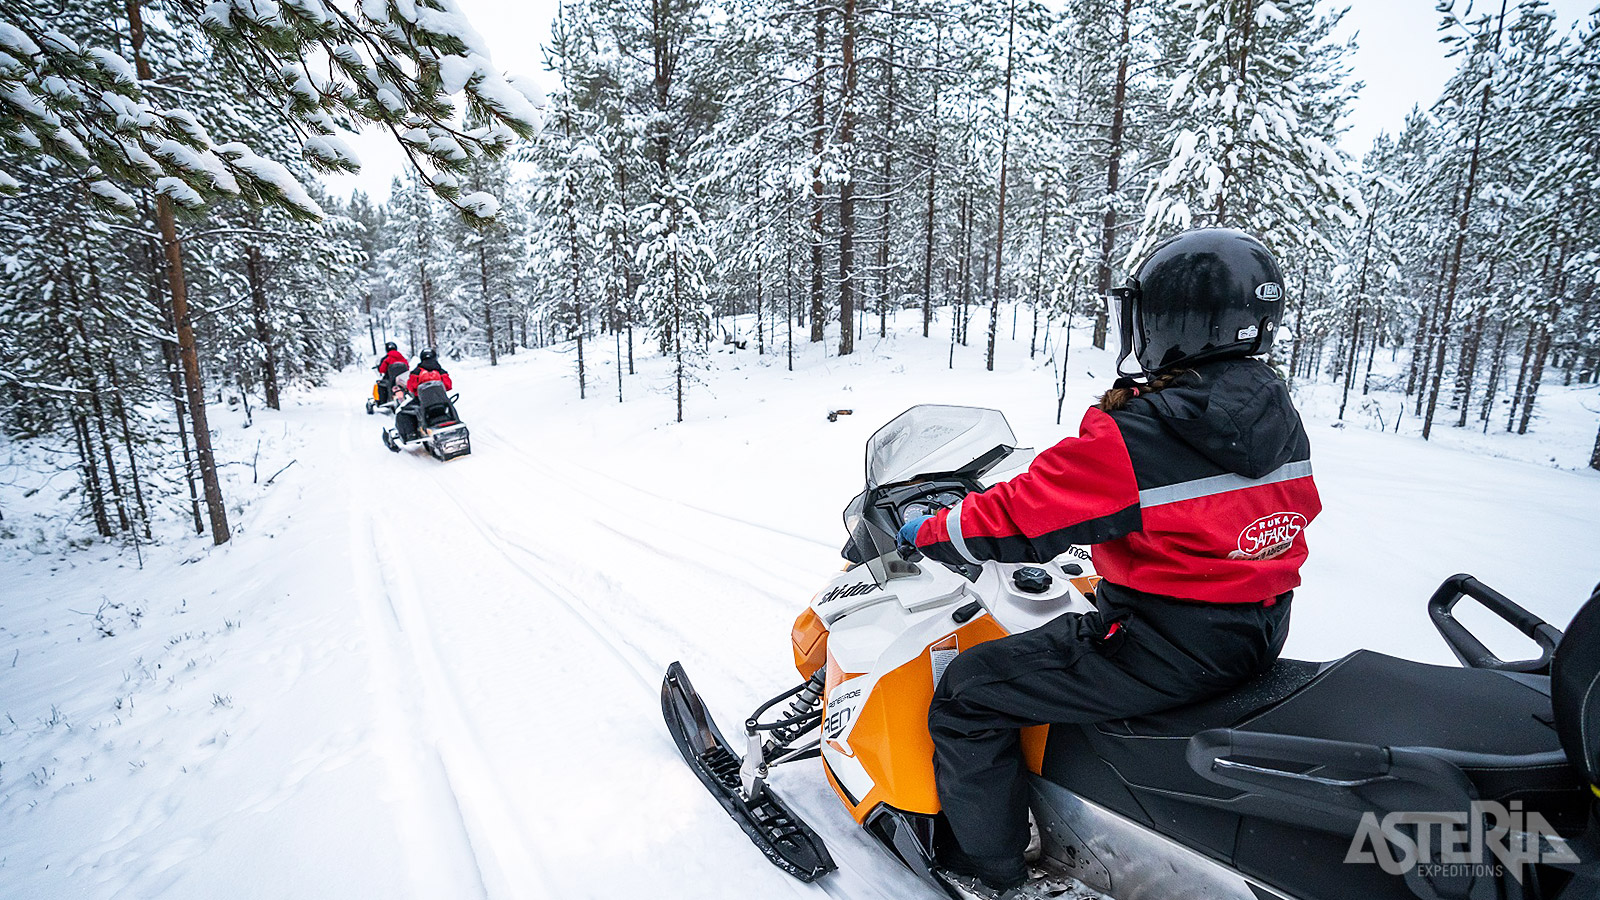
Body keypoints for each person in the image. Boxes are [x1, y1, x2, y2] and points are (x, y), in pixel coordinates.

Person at [898, 227, 1321, 897]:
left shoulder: (1144, 429)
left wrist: (932, 528)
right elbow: (1245, 517)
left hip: (1167, 646)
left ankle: (992, 870)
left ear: (1170, 320)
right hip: (1258, 628)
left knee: (970, 693)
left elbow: (1019, 520)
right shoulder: (1272, 410)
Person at [395, 349, 452, 442]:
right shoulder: (441, 371)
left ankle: (411, 434)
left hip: (422, 402)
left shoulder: (416, 372)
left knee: (402, 413)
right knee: (450, 404)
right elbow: (448, 386)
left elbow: (410, 387)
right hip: (441, 400)